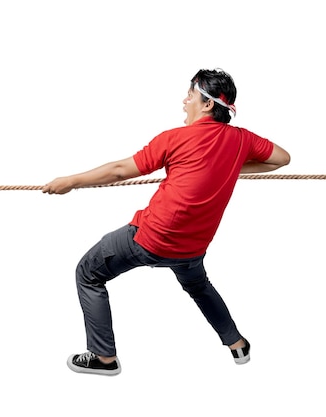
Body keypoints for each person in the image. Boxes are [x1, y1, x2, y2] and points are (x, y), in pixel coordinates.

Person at [42, 69, 290, 376]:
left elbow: (120, 170)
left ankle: (103, 358)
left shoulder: (175, 138)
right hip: (192, 248)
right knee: (198, 286)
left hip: (150, 239)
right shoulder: (241, 140)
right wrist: (226, 166)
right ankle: (236, 343)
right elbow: (281, 158)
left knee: (88, 272)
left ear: (208, 104)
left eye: (190, 95)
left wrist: (71, 181)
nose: (184, 101)